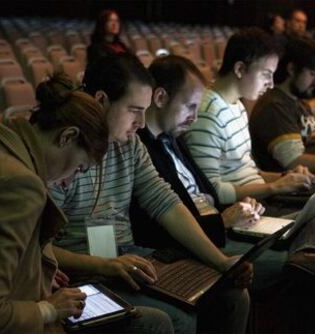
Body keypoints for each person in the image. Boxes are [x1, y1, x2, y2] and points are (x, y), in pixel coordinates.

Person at [0, 74, 174, 334]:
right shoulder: (21, 186)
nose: (67, 182)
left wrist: (36, 270)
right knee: (155, 323)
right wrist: (50, 309)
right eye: (78, 168)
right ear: (67, 137)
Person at [50, 54, 252, 334]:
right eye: (134, 110)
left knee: (231, 295)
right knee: (176, 319)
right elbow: (38, 247)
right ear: (101, 100)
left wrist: (220, 260)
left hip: (128, 260)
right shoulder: (66, 152)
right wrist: (105, 264)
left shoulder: (129, 144)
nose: (142, 123)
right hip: (83, 272)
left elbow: (165, 203)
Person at [132, 54, 315, 305]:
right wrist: (225, 220)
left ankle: (312, 259)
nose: (194, 117)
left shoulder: (173, 137)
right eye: (190, 107)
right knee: (305, 276)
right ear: (161, 98)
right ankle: (312, 266)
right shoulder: (143, 148)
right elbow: (165, 221)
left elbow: (208, 194)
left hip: (227, 224)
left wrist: (243, 206)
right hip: (211, 240)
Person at [183, 27, 314, 205]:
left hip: (260, 200)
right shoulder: (208, 115)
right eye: (266, 75)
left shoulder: (237, 105)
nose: (271, 84)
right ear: (240, 69)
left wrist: (286, 178)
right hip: (242, 210)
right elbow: (211, 191)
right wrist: (274, 187)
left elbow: (247, 173)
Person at [250, 35, 315, 176]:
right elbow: (294, 161)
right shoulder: (275, 106)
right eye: (313, 74)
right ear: (292, 69)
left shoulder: (294, 101)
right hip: (313, 190)